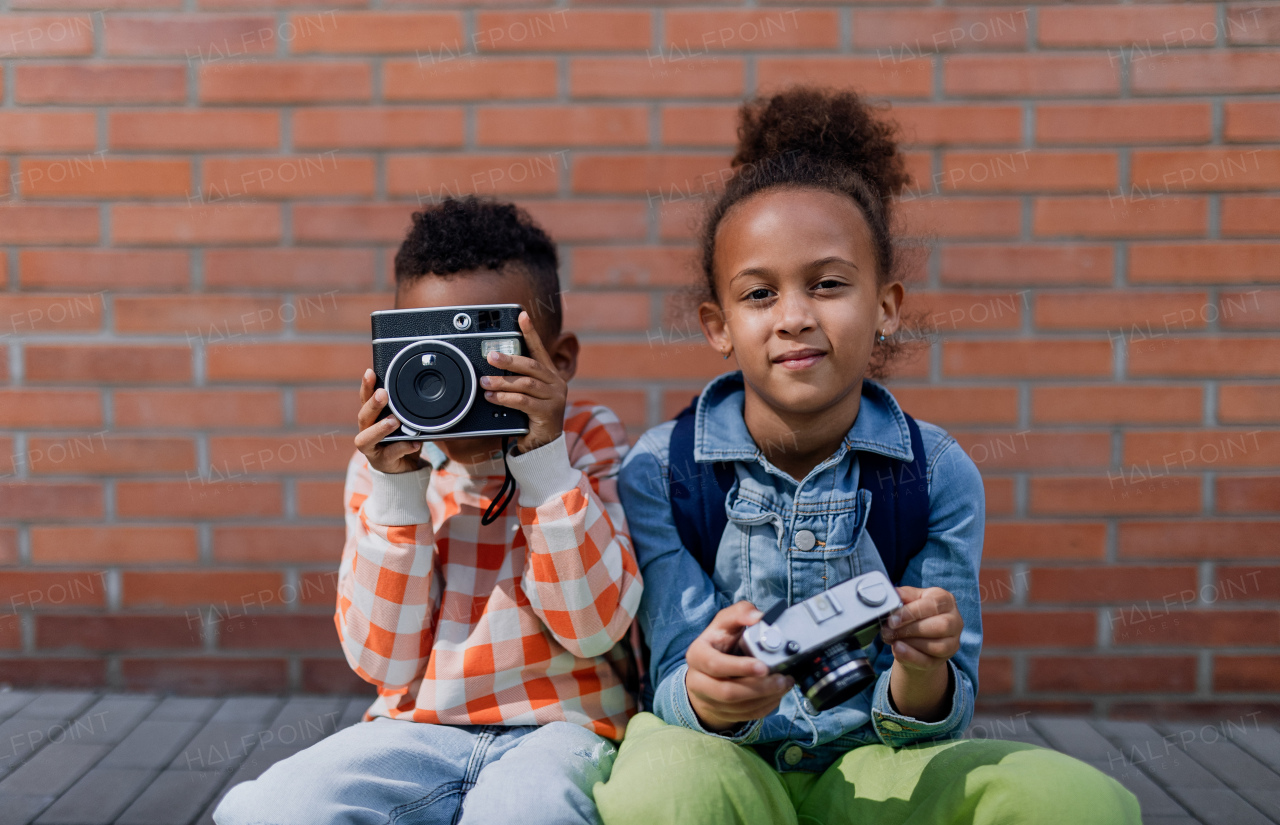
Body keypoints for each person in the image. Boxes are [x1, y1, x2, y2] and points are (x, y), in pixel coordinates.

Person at [592, 87, 1140, 825]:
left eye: (827, 284)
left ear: (886, 306)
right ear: (717, 325)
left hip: (881, 769)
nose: (794, 317)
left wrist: (924, 665)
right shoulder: (661, 471)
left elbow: (939, 716)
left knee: (1077, 800)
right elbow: (669, 676)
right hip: (726, 762)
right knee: (661, 787)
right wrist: (707, 690)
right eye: (759, 294)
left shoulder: (937, 473)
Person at [215, 196, 642, 825]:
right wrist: (397, 492)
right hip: (420, 725)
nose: (457, 378)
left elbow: (594, 629)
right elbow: (382, 663)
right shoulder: (385, 466)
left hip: (564, 725)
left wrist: (545, 464)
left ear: (561, 358)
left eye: (486, 349)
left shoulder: (584, 440)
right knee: (271, 808)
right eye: (433, 353)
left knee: (524, 813)